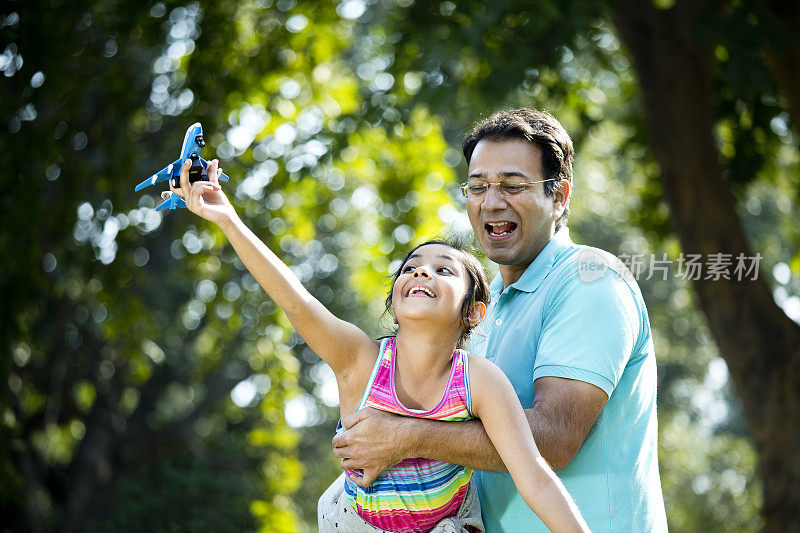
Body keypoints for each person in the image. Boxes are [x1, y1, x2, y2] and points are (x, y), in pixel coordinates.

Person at [167, 157, 590, 533]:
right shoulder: (360, 360)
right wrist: (227, 219)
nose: (422, 273)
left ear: (474, 312)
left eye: (444, 270)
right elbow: (294, 299)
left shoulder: (478, 380)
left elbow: (533, 474)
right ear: (396, 297)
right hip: (357, 524)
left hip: (448, 523)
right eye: (412, 268)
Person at [332, 108, 669, 532]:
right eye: (477, 188)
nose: (491, 203)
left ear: (559, 196)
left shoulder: (589, 280)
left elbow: (553, 438)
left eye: (512, 186)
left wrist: (406, 436)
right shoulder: (479, 308)